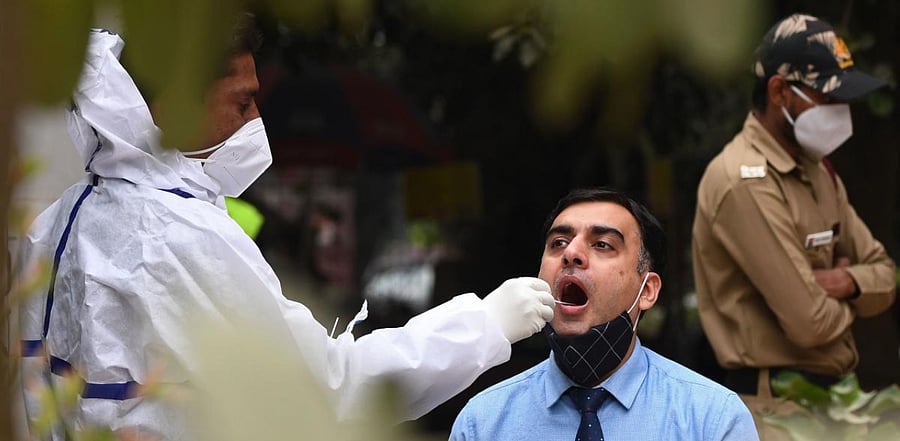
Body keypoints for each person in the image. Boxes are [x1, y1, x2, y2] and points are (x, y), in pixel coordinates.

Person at [14, 20, 555, 440]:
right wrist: (485, 324)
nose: (254, 124)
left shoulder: (66, 216)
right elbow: (323, 388)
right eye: (242, 103)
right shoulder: (176, 232)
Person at [692, 13, 897, 439]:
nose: (842, 112)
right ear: (780, 91)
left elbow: (887, 275)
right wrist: (856, 292)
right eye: (829, 98)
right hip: (776, 411)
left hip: (834, 401)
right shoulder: (741, 180)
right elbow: (809, 323)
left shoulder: (817, 172)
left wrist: (841, 281)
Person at [451, 188, 758, 440]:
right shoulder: (482, 424)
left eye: (602, 244)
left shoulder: (712, 421)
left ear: (648, 290)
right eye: (558, 243)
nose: (571, 253)